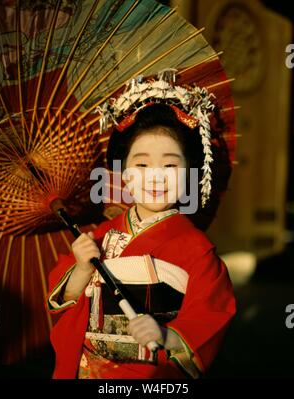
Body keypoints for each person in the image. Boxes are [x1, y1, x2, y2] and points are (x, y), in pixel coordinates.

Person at [47, 74, 236, 379]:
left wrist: (167, 334)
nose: (156, 177)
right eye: (142, 165)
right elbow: (63, 302)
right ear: (123, 173)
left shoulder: (197, 250)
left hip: (149, 372)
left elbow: (210, 316)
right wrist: (82, 269)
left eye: (171, 166)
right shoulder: (101, 235)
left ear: (190, 173)